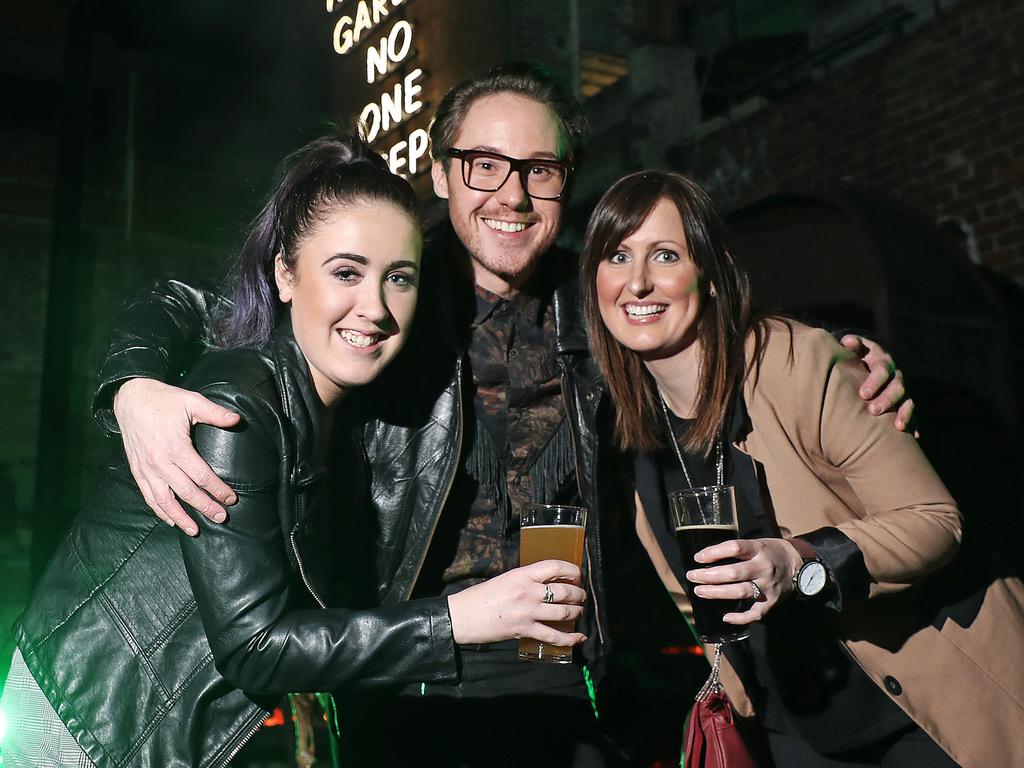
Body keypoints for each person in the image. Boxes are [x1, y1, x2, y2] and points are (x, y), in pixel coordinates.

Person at [85, 64, 913, 766]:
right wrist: (131, 386)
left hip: (571, 676)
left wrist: (842, 358)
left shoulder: (595, 296)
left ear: (565, 183)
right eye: (483, 164)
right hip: (401, 668)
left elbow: (711, 321)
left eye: (540, 170)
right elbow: (188, 299)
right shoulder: (391, 288)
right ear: (442, 177)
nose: (511, 195)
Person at [1, 134, 590, 768]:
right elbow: (255, 646)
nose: (375, 309)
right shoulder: (239, 411)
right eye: (345, 272)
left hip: (182, 724)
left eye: (400, 279)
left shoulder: (345, 403)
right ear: (285, 273)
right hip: (95, 722)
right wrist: (458, 619)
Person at [579, 169, 1024, 768]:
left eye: (665, 254)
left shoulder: (794, 363)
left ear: (708, 276)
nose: (637, 282)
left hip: (928, 705)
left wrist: (801, 561)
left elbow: (936, 520)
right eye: (617, 256)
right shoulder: (627, 430)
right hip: (796, 732)